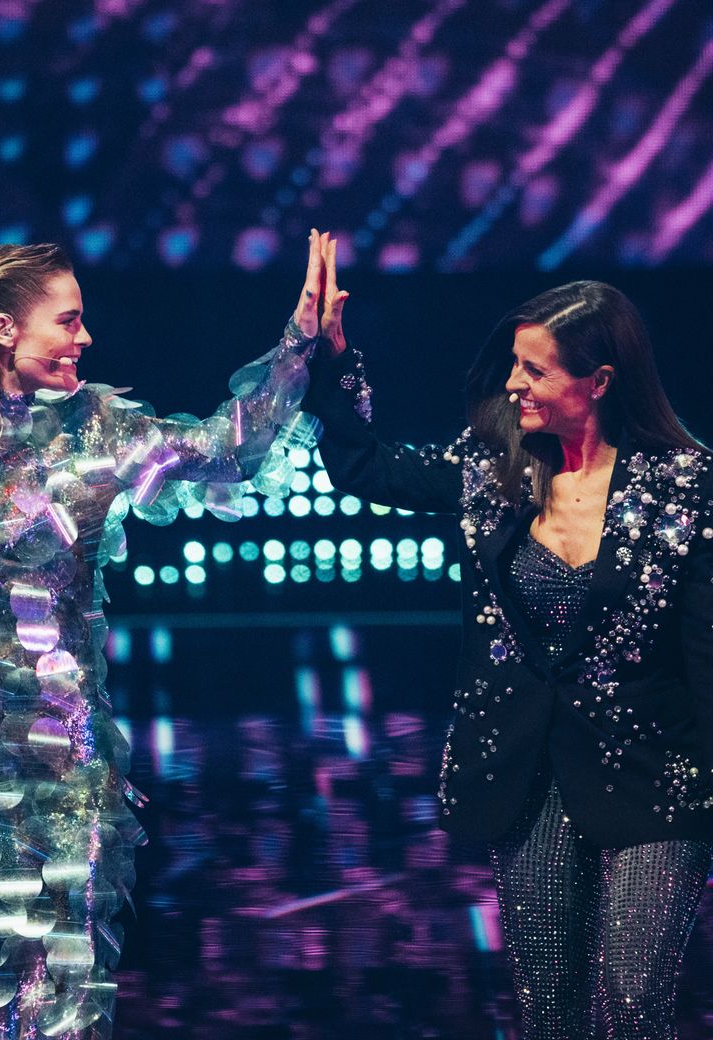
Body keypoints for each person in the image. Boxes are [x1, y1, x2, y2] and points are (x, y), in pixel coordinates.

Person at [0, 232, 326, 1039]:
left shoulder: (99, 429)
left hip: (69, 762)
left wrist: (298, 341)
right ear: (3, 328)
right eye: (68, 320)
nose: (85, 339)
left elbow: (225, 450)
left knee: (68, 1003)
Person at [303, 241, 713, 1039]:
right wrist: (333, 359)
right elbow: (363, 469)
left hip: (658, 771)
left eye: (536, 370)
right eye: (514, 366)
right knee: (549, 1014)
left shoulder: (686, 487)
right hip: (529, 779)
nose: (513, 385)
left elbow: (707, 647)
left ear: (598, 382)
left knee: (632, 1003)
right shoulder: (496, 468)